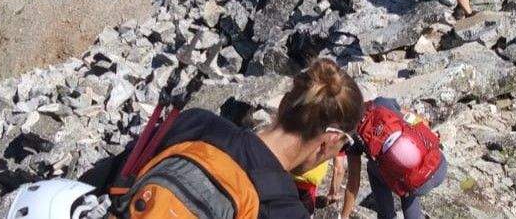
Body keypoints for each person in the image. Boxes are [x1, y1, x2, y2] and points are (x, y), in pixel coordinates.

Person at [101, 59, 364, 219]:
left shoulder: (196, 123)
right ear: (329, 141)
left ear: (284, 102)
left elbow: (106, 180)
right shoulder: (285, 210)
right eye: (343, 146)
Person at [338, 97, 446, 219]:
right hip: (440, 165)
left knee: (378, 169)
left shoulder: (353, 136)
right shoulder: (381, 102)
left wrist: (344, 216)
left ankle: (386, 215)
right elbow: (418, 121)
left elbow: (353, 182)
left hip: (418, 186)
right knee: (407, 162)